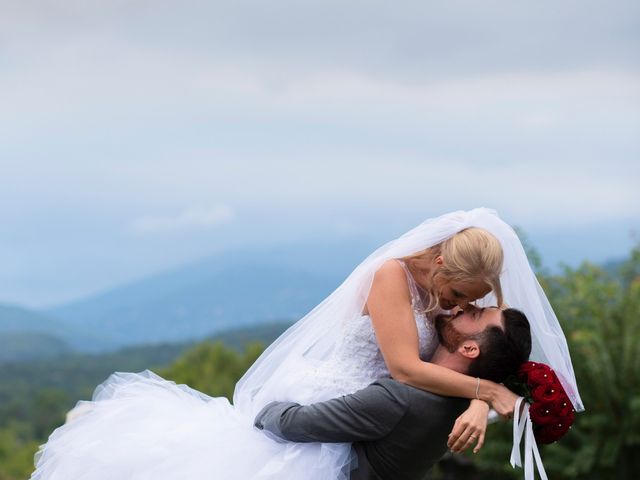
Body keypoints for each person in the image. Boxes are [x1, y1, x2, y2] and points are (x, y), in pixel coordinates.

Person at [30, 208, 582, 480]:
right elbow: (406, 369)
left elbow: (477, 351)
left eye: (472, 304)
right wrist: (486, 393)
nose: (461, 308)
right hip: (332, 393)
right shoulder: (392, 276)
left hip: (371, 409)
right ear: (440, 262)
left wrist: (480, 398)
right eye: (462, 295)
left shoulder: (444, 298)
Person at [254, 306, 532, 480]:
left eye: (474, 315)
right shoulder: (459, 404)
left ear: (470, 349)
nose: (462, 308)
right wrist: (483, 397)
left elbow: (289, 423)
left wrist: (265, 407)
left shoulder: (402, 400)